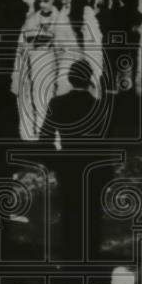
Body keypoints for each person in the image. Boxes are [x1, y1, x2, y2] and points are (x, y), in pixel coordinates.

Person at [39, 60, 112, 261]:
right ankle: (90, 259)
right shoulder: (100, 107)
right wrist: (107, 173)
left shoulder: (57, 103)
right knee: (92, 217)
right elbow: (108, 145)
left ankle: (70, 260)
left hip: (69, 167)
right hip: (94, 168)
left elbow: (44, 140)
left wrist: (56, 162)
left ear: (71, 80)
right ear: (89, 79)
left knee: (70, 213)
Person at [12, 0, 78, 141]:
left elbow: (70, 46)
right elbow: (22, 47)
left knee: (52, 102)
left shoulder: (61, 20)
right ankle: (33, 134)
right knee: (35, 99)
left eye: (46, 0)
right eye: (40, 1)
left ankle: (52, 137)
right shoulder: (31, 20)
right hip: (35, 66)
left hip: (54, 68)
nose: (42, 4)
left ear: (53, 0)